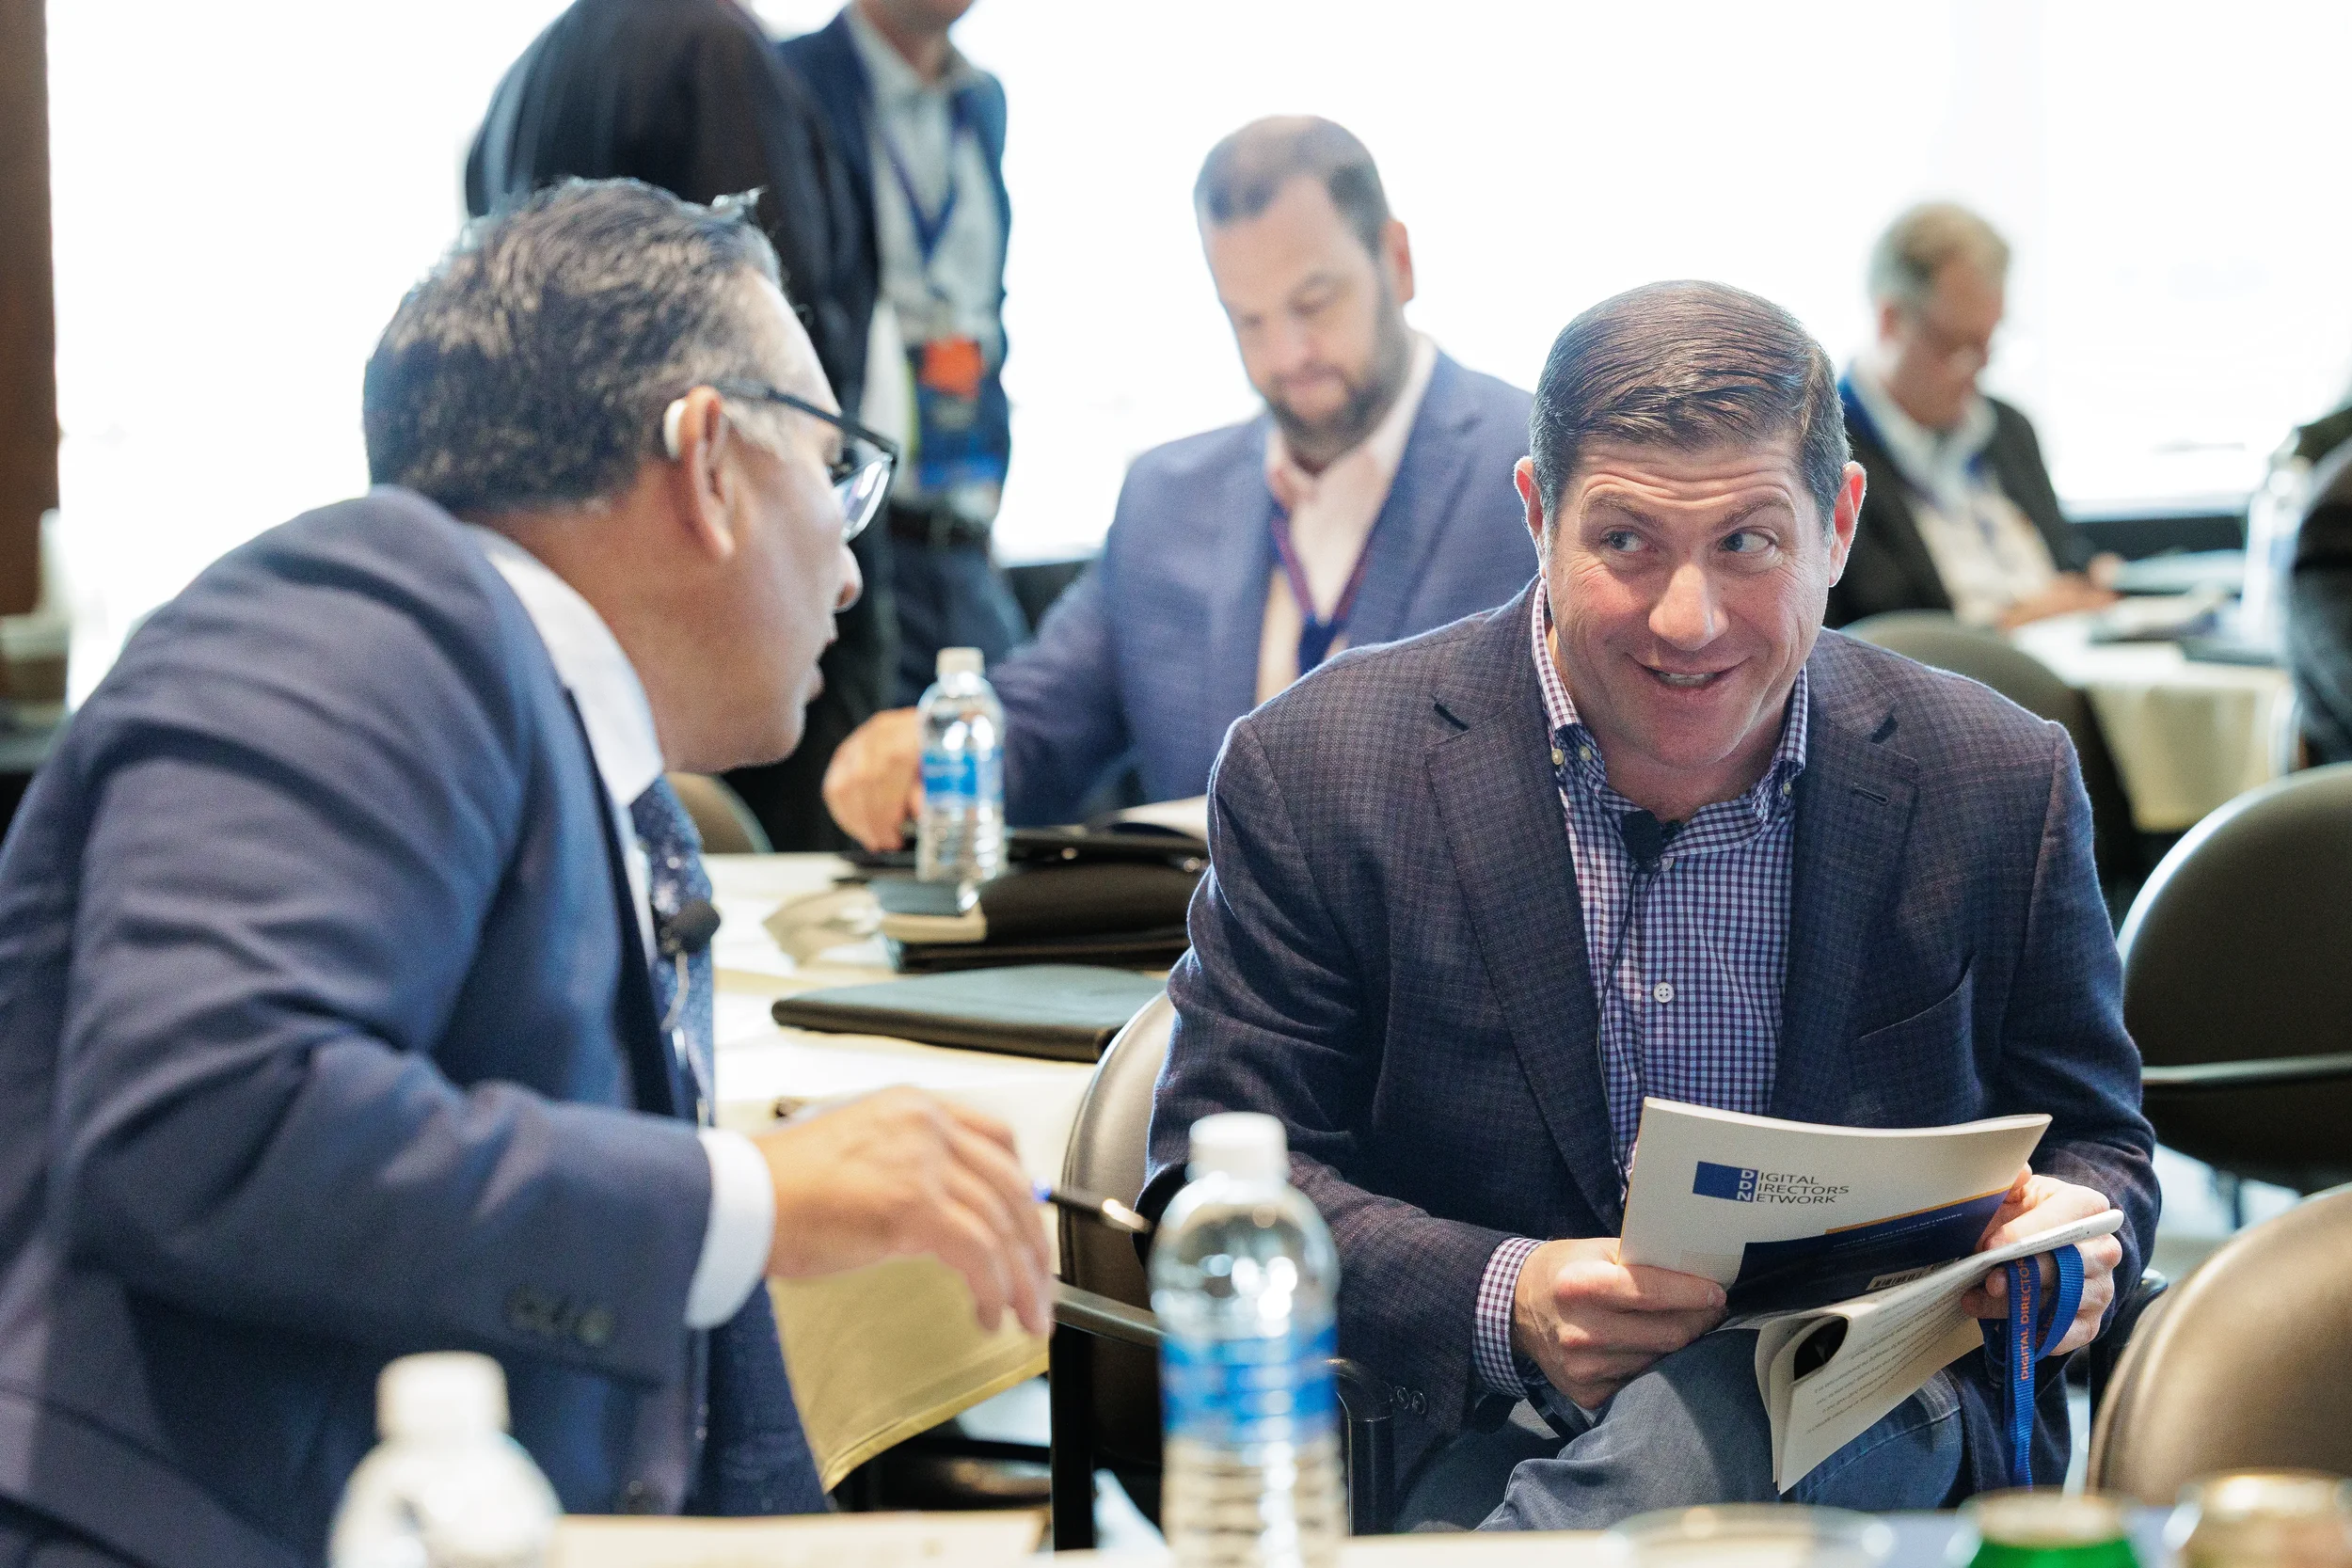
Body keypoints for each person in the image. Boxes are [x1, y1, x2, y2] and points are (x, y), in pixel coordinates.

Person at [0, 182, 1051, 1568]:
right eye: (835, 469)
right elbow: (212, 1114)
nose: (852, 572)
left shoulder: (569, 738)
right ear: (710, 459)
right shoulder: (369, 612)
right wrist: (751, 1193)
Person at [1142, 281, 2156, 1528]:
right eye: (1625, 542)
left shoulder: (1995, 776)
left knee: (1725, 1400)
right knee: (1621, 1461)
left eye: (1748, 543)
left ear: (1838, 525)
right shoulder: (1319, 769)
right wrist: (1506, 1292)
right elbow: (1210, 1169)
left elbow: (2098, 1141)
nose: (1689, 620)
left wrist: (2077, 1231)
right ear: (1537, 516)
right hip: (1475, 1412)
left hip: (1874, 1398)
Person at [823, 117, 1538, 842]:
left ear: (1398, 262)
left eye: (1315, 303)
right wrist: (930, 746)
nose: (1286, 354)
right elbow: (1041, 724)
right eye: (1248, 320)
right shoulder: (1166, 501)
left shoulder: (1538, 472)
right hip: (1197, 914)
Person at [468, 0, 890, 851]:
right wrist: (823, 488)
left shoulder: (524, 81)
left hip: (601, 565)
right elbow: (775, 365)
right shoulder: (713, 50)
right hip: (732, 574)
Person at [779, 0, 1030, 707]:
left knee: (1005, 744)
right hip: (862, 538)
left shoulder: (981, 101)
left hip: (963, 524)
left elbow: (984, 306)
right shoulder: (792, 81)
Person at [1831, 202, 2118, 630]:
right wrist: (2007, 629)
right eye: (1958, 347)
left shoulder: (2008, 428)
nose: (1979, 369)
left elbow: (2061, 558)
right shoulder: (1823, 449)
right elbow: (1861, 635)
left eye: (1989, 343)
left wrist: (2091, 578)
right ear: (1890, 321)